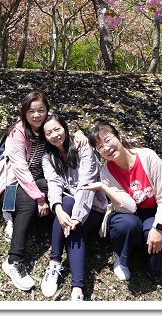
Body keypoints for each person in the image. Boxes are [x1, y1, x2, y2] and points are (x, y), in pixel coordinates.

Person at [81, 120, 162, 283]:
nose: (106, 148)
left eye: (108, 140)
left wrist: (157, 227)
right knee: (126, 225)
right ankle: (122, 257)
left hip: (154, 212)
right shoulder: (107, 172)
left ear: (119, 137)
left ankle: (146, 250)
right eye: (100, 147)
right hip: (127, 213)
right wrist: (103, 186)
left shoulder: (148, 157)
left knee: (156, 263)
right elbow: (129, 207)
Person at [39, 113, 107, 301]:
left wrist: (76, 218)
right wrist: (58, 210)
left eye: (57, 129)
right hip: (70, 205)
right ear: (45, 137)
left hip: (93, 206)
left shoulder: (82, 147)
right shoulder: (48, 157)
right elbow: (54, 184)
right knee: (66, 203)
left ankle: (77, 289)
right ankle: (55, 264)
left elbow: (87, 183)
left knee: (74, 228)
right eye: (49, 133)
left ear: (65, 128)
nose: (54, 135)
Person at [0, 89, 51, 291]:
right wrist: (39, 198)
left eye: (41, 110)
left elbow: (64, 136)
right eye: (31, 111)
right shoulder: (18, 132)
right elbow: (20, 168)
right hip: (17, 180)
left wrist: (80, 135)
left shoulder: (48, 126)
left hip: (40, 178)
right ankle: (13, 261)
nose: (37, 115)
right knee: (29, 205)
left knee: (60, 192)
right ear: (24, 112)